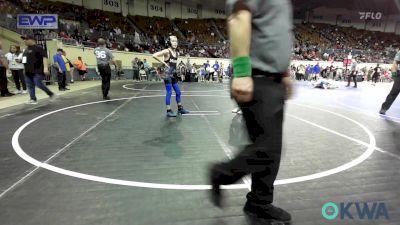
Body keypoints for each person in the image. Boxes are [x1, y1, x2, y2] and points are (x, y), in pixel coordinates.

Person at [208, 0, 293, 223]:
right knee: (267, 149)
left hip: (271, 78)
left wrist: (284, 72)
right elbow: (239, 18)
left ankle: (259, 201)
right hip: (257, 78)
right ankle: (221, 173)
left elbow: (273, 33)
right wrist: (243, 71)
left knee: (269, 149)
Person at [152, 35, 189, 117]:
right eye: (173, 41)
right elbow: (154, 55)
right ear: (169, 42)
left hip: (173, 74)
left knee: (178, 92)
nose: (175, 43)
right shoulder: (167, 51)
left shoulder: (177, 53)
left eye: (176, 41)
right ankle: (168, 111)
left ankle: (180, 109)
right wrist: (164, 63)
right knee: (169, 92)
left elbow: (174, 64)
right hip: (167, 74)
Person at [21, 35, 55, 104]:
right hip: (28, 71)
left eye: (26, 39)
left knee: (38, 83)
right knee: (30, 85)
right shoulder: (26, 50)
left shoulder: (38, 48)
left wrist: (45, 68)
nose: (24, 40)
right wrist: (24, 69)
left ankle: (51, 94)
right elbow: (24, 60)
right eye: (24, 39)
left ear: (32, 40)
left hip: (37, 70)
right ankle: (33, 99)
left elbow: (45, 57)